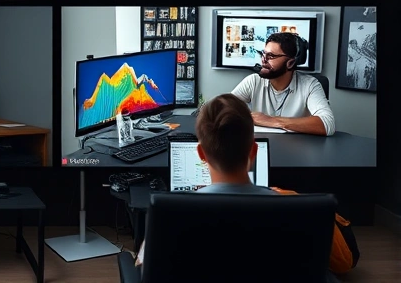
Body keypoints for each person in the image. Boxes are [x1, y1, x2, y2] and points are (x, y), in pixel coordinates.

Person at [136, 94, 355, 280]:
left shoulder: (168, 213)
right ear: (254, 151)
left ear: (201, 154)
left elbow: (145, 271)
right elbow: (344, 264)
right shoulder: (298, 206)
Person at [230, 32, 335, 136]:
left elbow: (327, 124)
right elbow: (224, 109)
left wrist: (271, 121)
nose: (263, 60)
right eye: (263, 53)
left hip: (297, 145)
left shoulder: (310, 85)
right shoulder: (253, 81)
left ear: (291, 63)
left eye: (271, 56)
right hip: (261, 144)